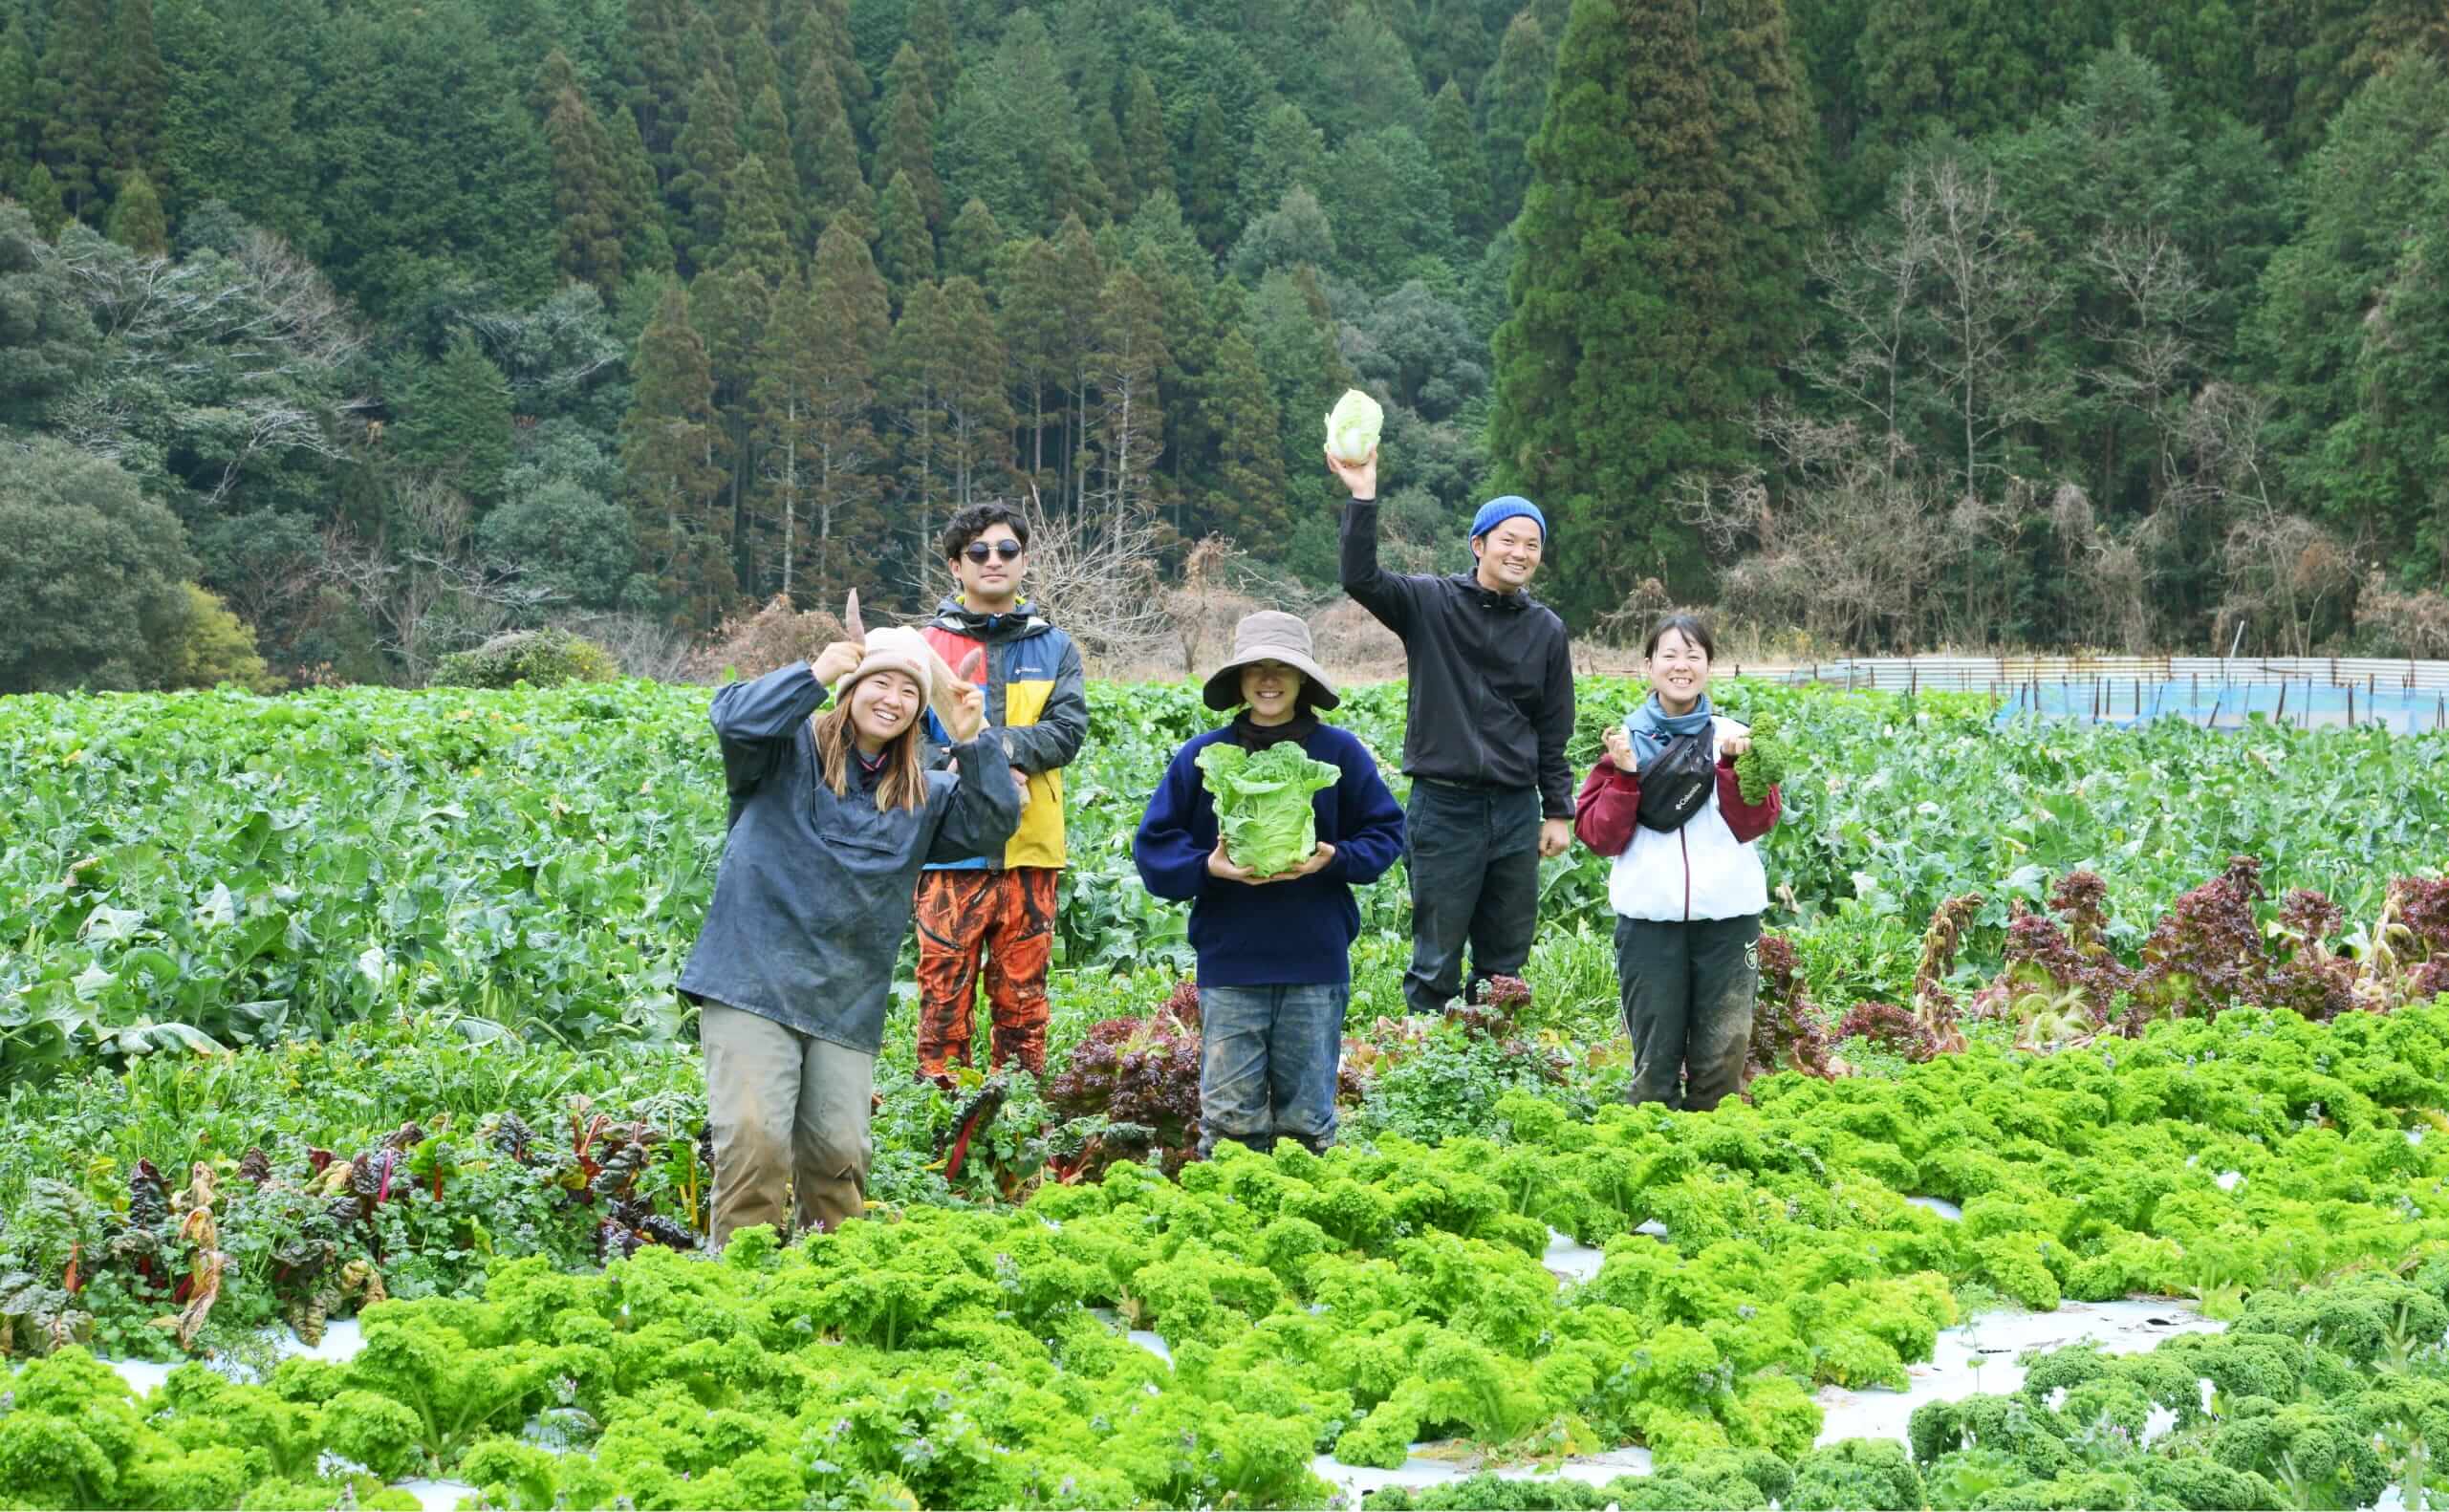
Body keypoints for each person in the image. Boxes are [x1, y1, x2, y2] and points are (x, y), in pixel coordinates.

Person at [679, 627, 1020, 1243]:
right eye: (879, 681)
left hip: (844, 1000)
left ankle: (830, 1305)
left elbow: (993, 823)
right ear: (850, 687)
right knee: (755, 1147)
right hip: (752, 982)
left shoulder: (926, 791)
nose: (892, 699)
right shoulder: (783, 754)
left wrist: (974, 742)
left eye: (910, 691)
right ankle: (741, 1289)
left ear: (921, 710)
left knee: (840, 1159)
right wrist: (810, 674)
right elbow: (734, 722)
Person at [1133, 611, 1405, 1156]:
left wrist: (1334, 858)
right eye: (1255, 667)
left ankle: (1302, 1230)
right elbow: (1154, 847)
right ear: (1238, 679)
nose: (1268, 679)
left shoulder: (1340, 752)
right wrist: (1208, 867)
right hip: (1231, 962)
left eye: (1282, 667)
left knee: (1308, 1122)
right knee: (1230, 1121)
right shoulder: (1202, 756)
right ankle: (1232, 1229)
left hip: (1315, 961)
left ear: (1305, 679)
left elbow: (1386, 833)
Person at [1332, 446, 1574, 1016]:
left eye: (1532, 544)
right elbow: (1359, 576)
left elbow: (1553, 728)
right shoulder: (1429, 603)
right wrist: (1362, 495)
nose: (1521, 553)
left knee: (1506, 960)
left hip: (1516, 810)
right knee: (1436, 959)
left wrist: (1558, 809)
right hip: (1445, 807)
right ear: (1479, 544)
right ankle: (1425, 1072)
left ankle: (1490, 1070)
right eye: (1509, 540)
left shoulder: (1547, 631)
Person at [1572, 614, 1782, 1112]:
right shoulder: (1621, 742)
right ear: (1648, 666)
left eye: (1693, 655)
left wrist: (1730, 768)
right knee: (1654, 1067)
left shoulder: (1736, 736)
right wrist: (1625, 776)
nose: (1681, 666)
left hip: (1729, 922)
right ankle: (1655, 1161)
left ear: (1710, 666)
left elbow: (1755, 822)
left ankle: (1715, 1165)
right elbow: (1600, 836)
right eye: (1669, 654)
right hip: (1649, 923)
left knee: (1721, 1061)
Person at [912, 501, 1088, 1080]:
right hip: (948, 850)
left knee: (1023, 1008)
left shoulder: (1056, 646)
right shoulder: (923, 649)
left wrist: (995, 752)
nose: (994, 561)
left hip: (1031, 852)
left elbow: (1066, 731)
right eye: (978, 552)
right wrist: (970, 766)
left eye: (1006, 550)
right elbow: (899, 740)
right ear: (956, 567)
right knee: (942, 1008)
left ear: (1024, 560)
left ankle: (1015, 1135)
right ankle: (941, 1141)